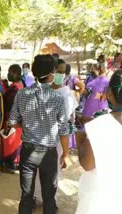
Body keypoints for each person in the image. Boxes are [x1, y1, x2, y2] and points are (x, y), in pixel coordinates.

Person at [7, 54, 69, 214]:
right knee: (49, 197)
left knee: (26, 196)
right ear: (50, 74)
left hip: (28, 152)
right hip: (48, 153)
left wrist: (26, 125)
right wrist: (66, 154)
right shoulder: (58, 98)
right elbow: (63, 129)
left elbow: (12, 121)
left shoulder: (22, 94)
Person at [75, 70, 122, 213]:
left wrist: (81, 140)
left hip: (99, 198)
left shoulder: (100, 125)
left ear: (110, 94)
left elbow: (88, 164)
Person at [34, 58, 78, 207]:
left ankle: (50, 201)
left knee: (52, 172)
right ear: (51, 72)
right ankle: (37, 197)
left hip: (57, 140)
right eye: (57, 71)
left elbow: (64, 124)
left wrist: (65, 152)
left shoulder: (66, 95)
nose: (60, 74)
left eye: (63, 72)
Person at [2, 64, 24, 173]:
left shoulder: (15, 88)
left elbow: (10, 104)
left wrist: (8, 120)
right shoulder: (20, 84)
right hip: (19, 120)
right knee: (15, 141)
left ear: (16, 73)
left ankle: (10, 164)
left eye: (10, 72)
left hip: (12, 120)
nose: (8, 74)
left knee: (10, 142)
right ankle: (14, 162)